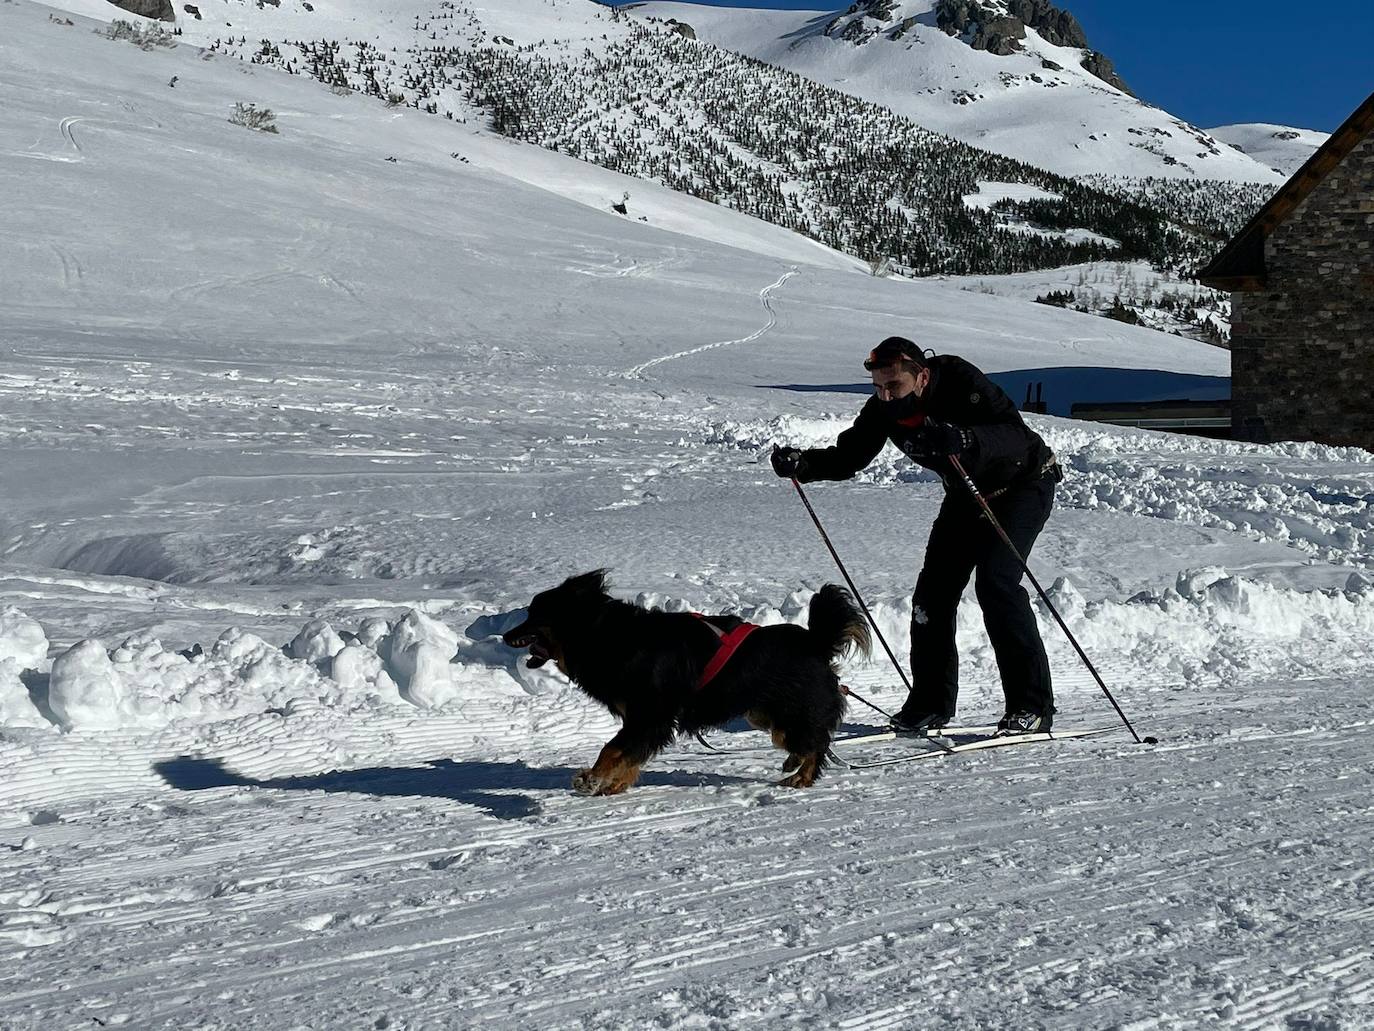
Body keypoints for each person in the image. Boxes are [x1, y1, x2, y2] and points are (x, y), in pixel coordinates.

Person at [770, 336, 1062, 736]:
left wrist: (965, 439)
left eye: (894, 386)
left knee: (996, 582)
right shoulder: (884, 411)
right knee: (932, 596)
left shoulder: (960, 381)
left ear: (921, 376)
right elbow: (848, 457)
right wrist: (803, 464)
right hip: (965, 494)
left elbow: (1011, 432)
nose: (886, 397)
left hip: (1023, 485)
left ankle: (1032, 706)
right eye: (879, 388)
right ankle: (929, 703)